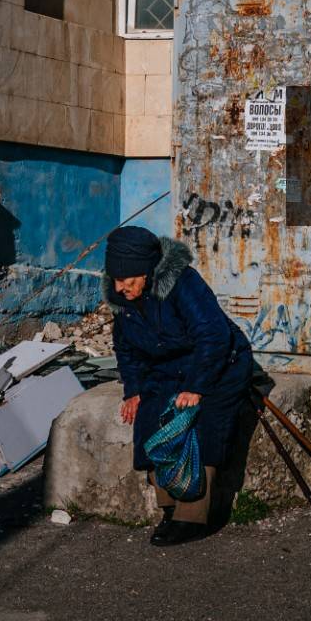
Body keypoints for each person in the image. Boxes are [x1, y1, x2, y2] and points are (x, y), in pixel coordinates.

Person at [104, 225, 255, 546]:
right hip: (169, 368)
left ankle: (191, 517)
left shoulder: (183, 283)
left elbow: (213, 336)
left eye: (127, 281)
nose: (120, 288)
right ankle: (170, 508)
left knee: (200, 424)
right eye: (116, 281)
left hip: (219, 363)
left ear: (146, 273)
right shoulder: (123, 298)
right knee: (150, 418)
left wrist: (197, 387)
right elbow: (126, 348)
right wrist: (133, 390)